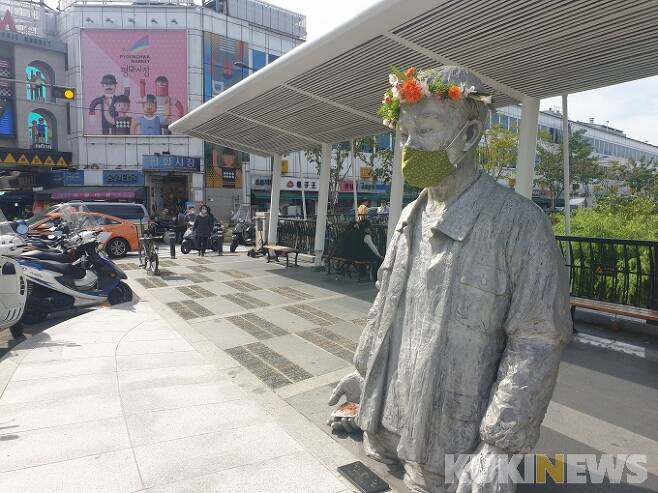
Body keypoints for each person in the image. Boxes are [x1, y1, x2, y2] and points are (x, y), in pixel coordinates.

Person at [328, 66, 572, 493]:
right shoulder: (409, 217)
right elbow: (385, 306)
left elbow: (537, 340)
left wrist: (499, 447)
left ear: (470, 134)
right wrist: (363, 375)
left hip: (448, 439)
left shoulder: (518, 224)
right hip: (386, 423)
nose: (409, 146)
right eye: (403, 133)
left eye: (425, 129)